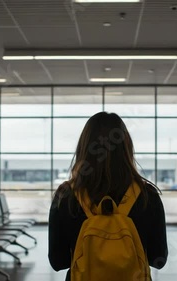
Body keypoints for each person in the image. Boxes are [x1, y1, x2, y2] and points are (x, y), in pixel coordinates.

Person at [48, 112, 168, 281]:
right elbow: (158, 259)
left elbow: (58, 261)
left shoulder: (66, 196)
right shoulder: (148, 195)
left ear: (84, 148)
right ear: (127, 147)